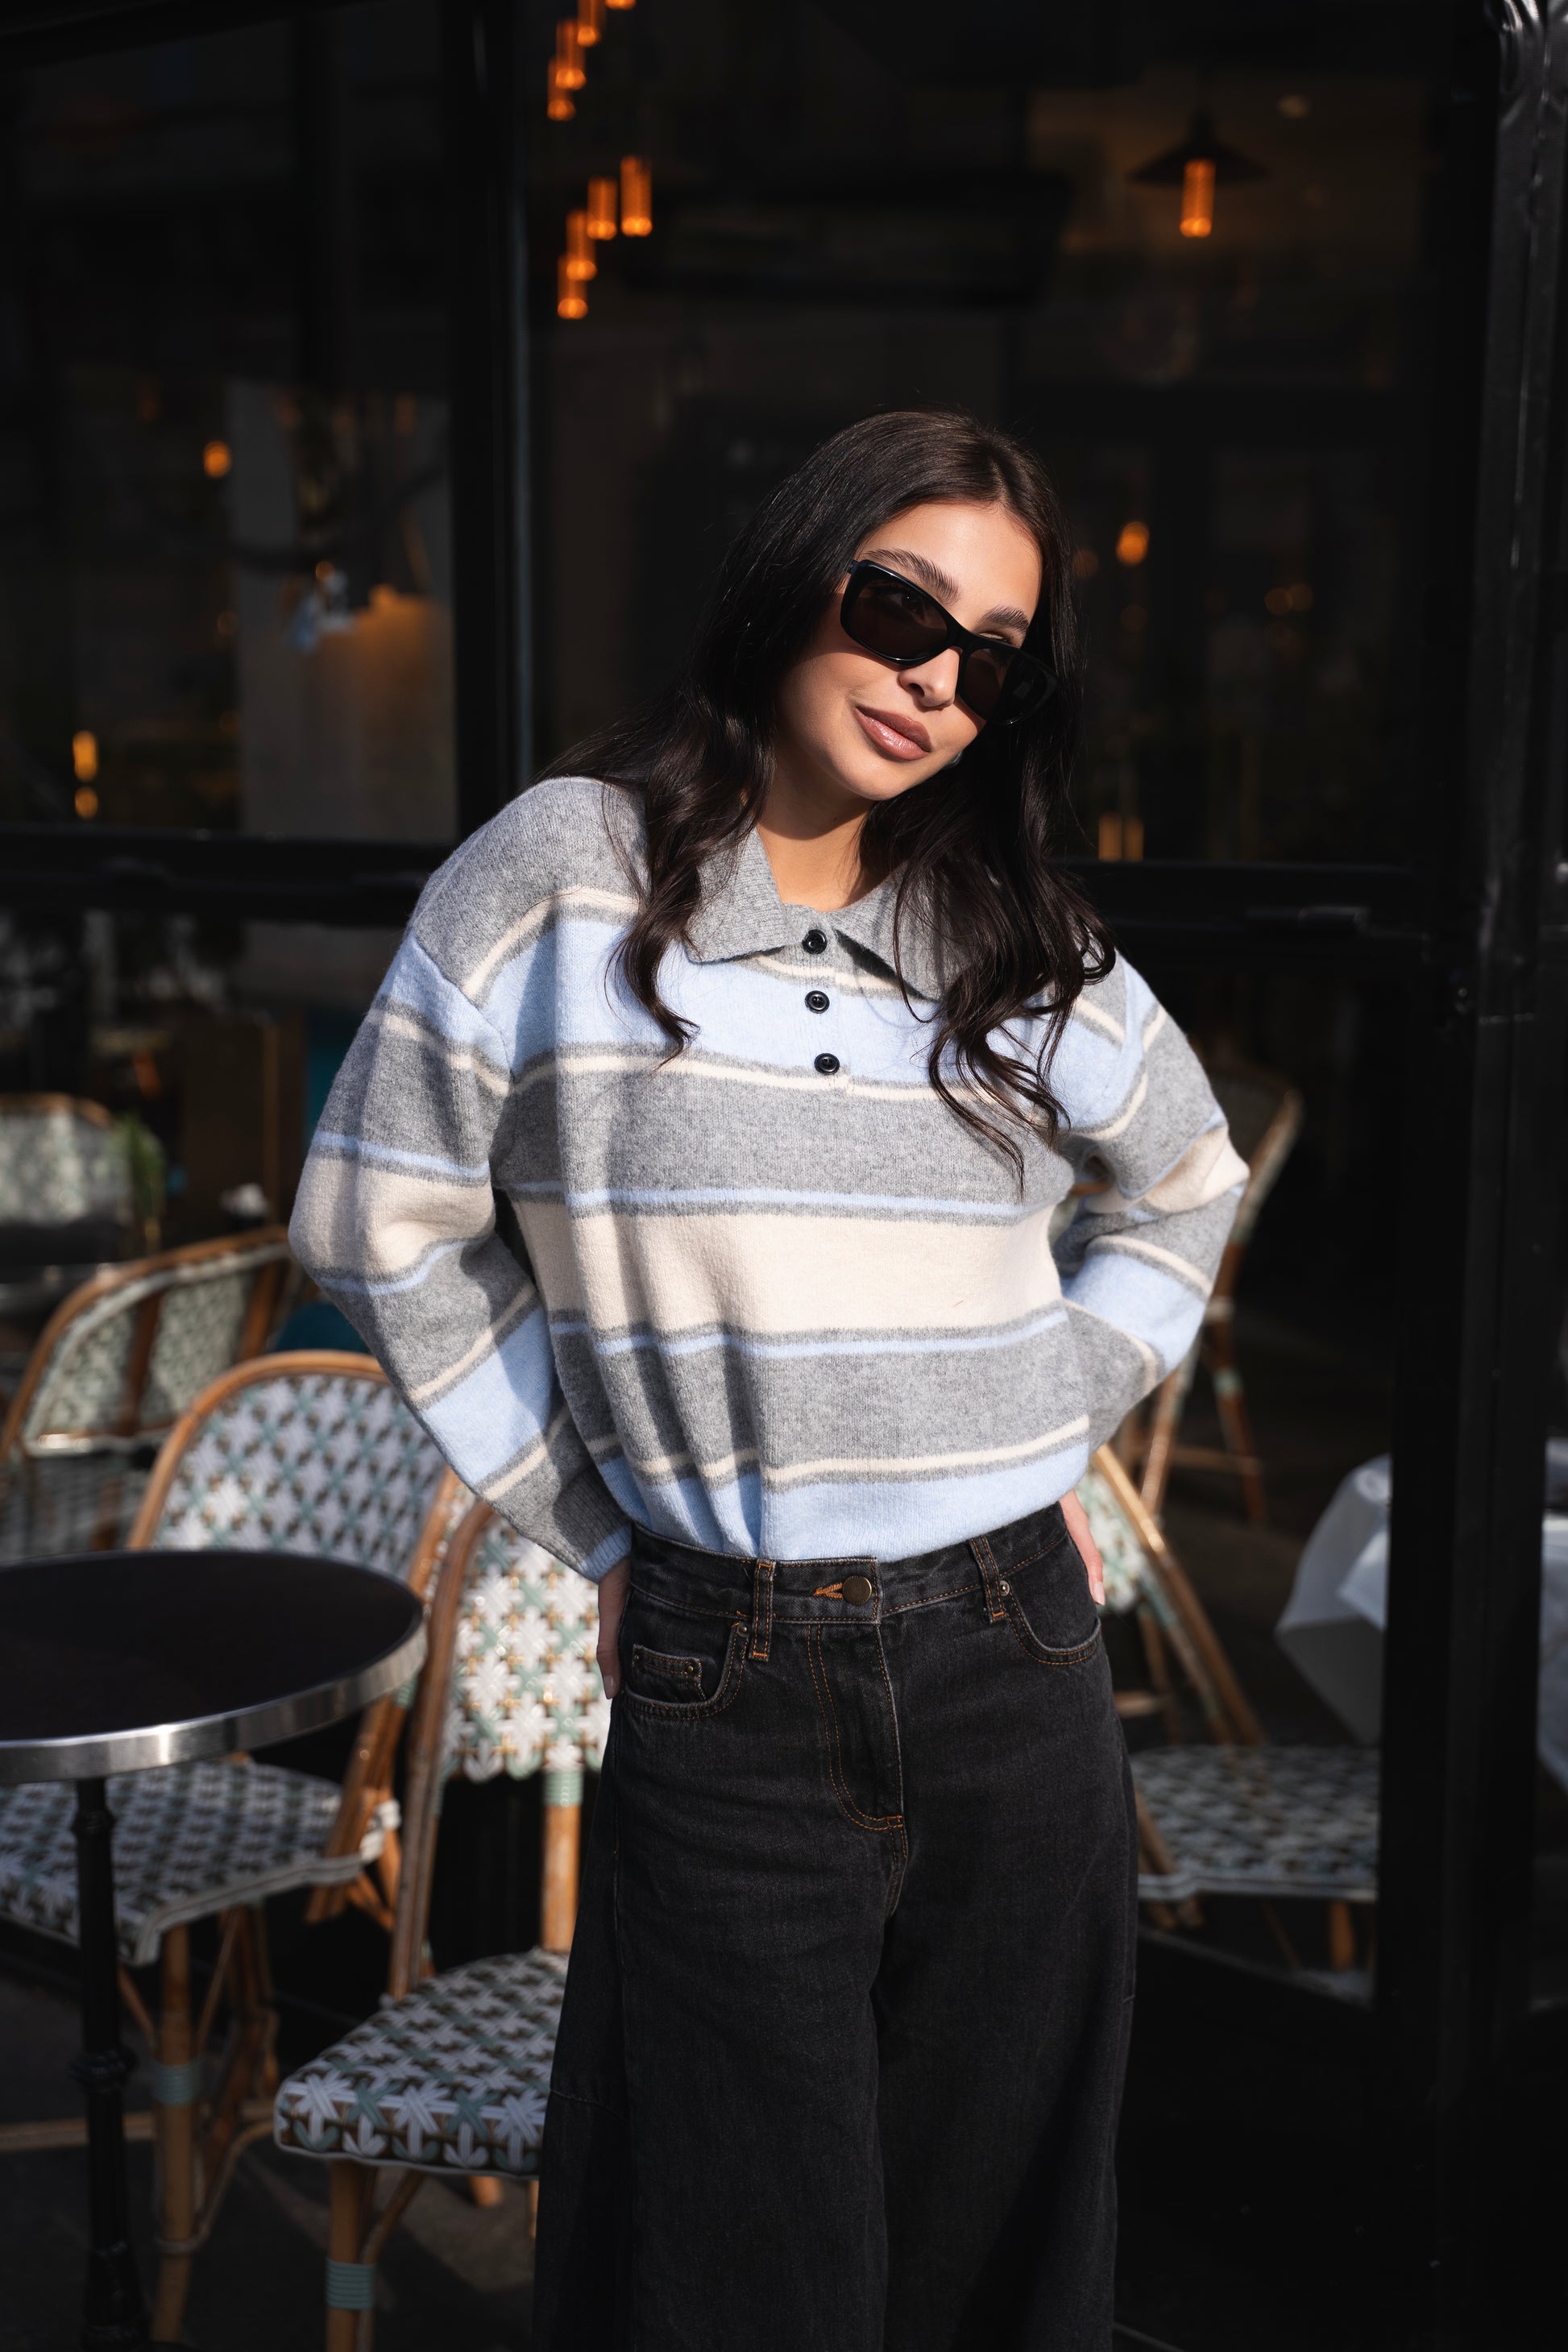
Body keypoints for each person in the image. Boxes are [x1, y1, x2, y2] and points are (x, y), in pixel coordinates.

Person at [290, 408, 1246, 2351]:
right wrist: (588, 1513)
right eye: (902, 608)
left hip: (1017, 1645)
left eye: (993, 656)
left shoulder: (1007, 923)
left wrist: (1053, 1402)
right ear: (797, 572)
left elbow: (1186, 1184)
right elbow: (375, 1221)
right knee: (739, 2265)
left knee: (1002, 2251)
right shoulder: (562, 872)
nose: (935, 680)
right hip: (726, 1660)